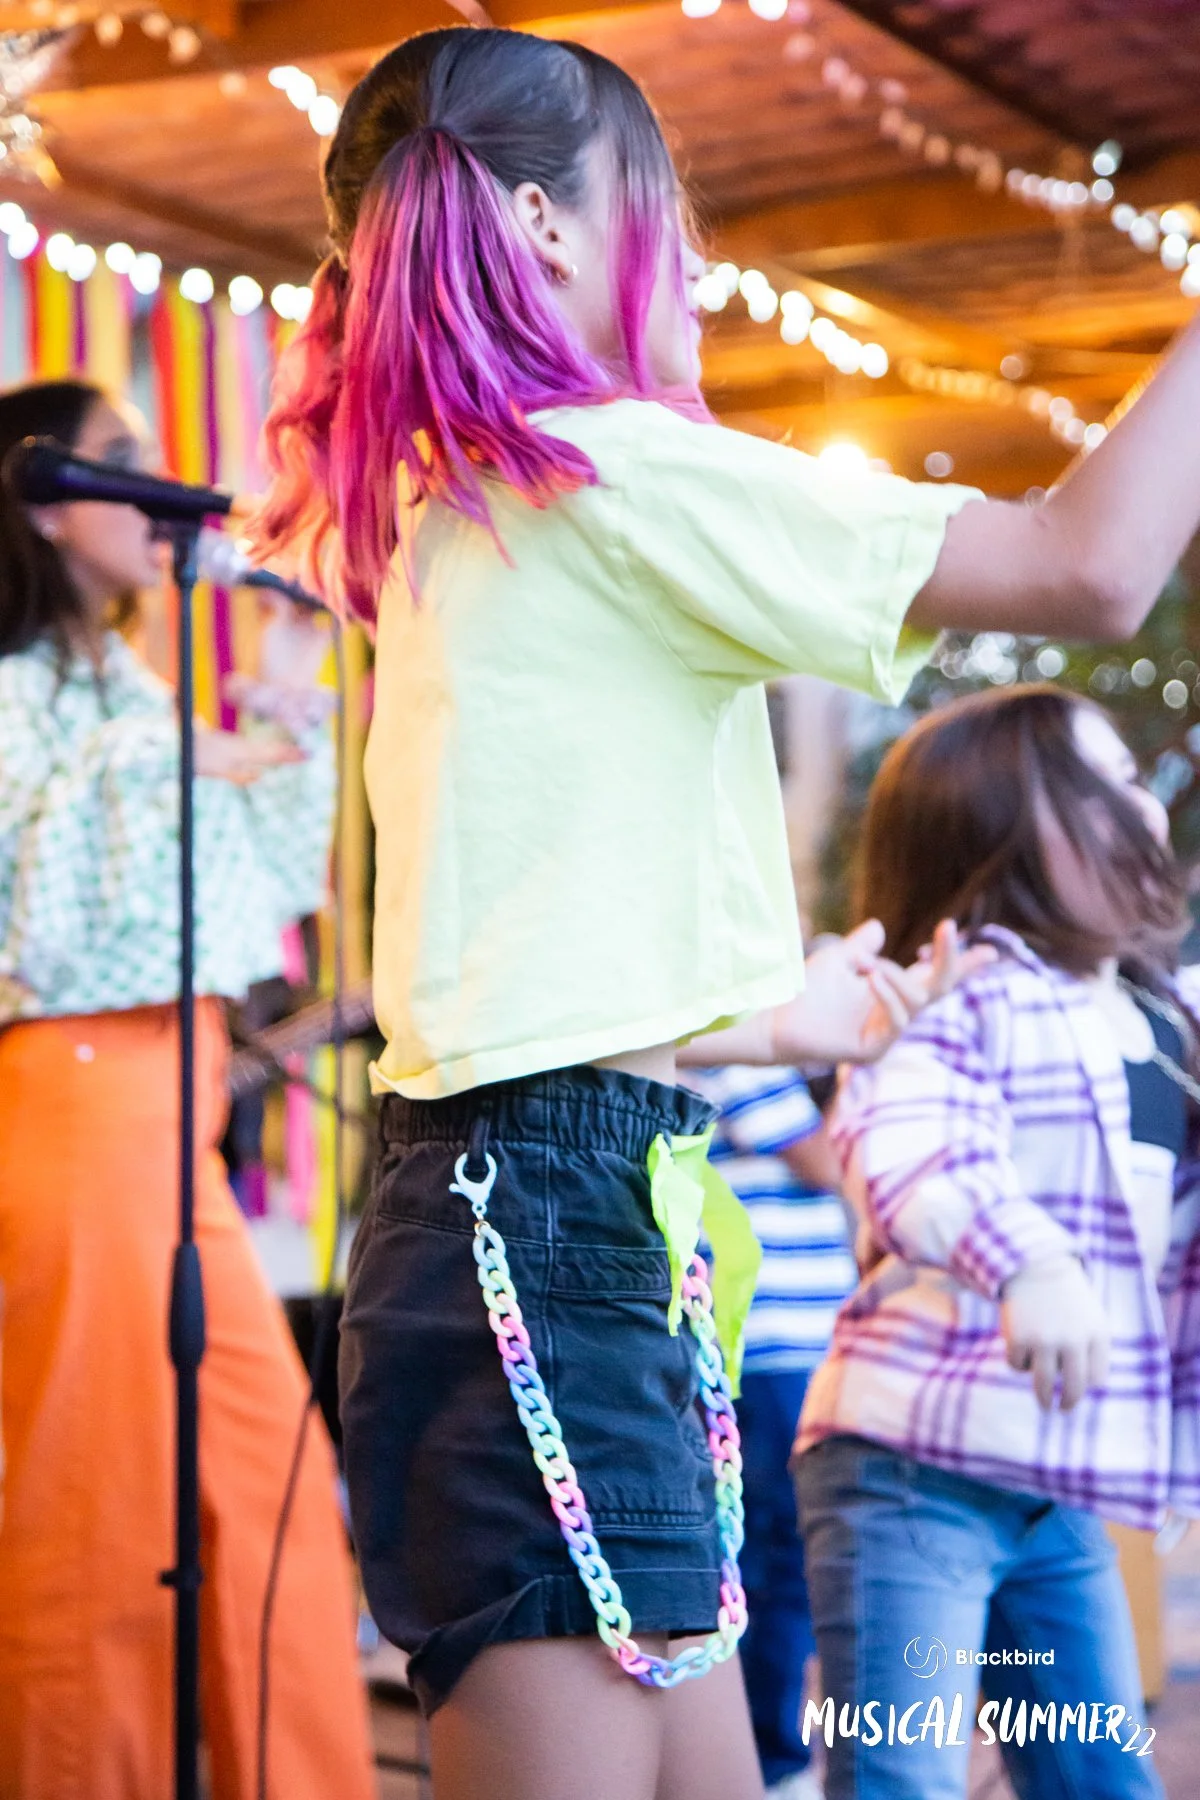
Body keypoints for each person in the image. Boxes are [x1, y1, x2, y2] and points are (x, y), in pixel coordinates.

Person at [249, 26, 1200, 1800]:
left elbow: (521, 968)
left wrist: (773, 1011)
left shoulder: (470, 509)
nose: (690, 258)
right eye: (661, 206)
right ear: (541, 224)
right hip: (551, 1242)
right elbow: (1091, 563)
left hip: (559, 1219)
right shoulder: (607, 471)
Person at [0, 380, 376, 1800]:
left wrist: (286, 686)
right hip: (76, 1091)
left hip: (176, 1104)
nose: (160, 484)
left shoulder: (122, 685)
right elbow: (39, 925)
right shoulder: (24, 693)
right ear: (46, 495)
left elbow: (261, 882)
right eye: (125, 463)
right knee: (96, 1506)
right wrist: (162, 757)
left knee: (266, 1480)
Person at [795, 685, 1200, 1800]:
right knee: (902, 1776)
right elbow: (905, 1131)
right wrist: (1028, 1258)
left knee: (1100, 1777)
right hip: (910, 1467)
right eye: (1104, 783)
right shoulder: (971, 992)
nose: (1145, 806)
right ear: (998, 835)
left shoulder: (1165, 1023)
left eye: (1137, 779)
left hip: (1054, 1481)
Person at [684, 1058, 853, 1799]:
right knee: (774, 1565)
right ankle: (769, 1761)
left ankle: (766, 1757)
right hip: (771, 1347)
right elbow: (835, 1166)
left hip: (785, 1349)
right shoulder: (740, 1055)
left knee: (774, 1562)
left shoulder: (750, 1056)